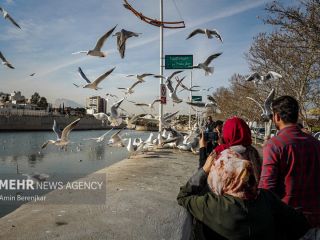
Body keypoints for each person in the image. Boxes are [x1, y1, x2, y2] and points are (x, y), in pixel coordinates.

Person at [178, 144, 310, 239]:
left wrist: (204, 170)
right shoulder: (266, 198)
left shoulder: (213, 205)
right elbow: (300, 224)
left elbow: (183, 196)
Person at [259, 96, 320, 227]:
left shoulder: (274, 145)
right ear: (296, 115)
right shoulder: (316, 144)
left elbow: (266, 188)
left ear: (276, 117)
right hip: (315, 217)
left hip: (287, 218)